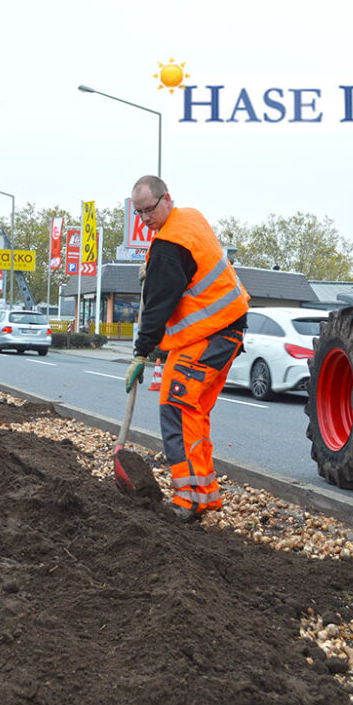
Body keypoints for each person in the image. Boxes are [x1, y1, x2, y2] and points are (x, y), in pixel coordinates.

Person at [125, 175, 249, 522]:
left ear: (166, 199)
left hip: (211, 335)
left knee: (176, 407)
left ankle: (188, 498)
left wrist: (140, 353)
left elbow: (157, 307)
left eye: (149, 210)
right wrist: (153, 272)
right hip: (222, 332)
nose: (145, 219)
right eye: (139, 213)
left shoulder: (168, 245)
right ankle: (205, 494)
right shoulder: (190, 218)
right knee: (192, 411)